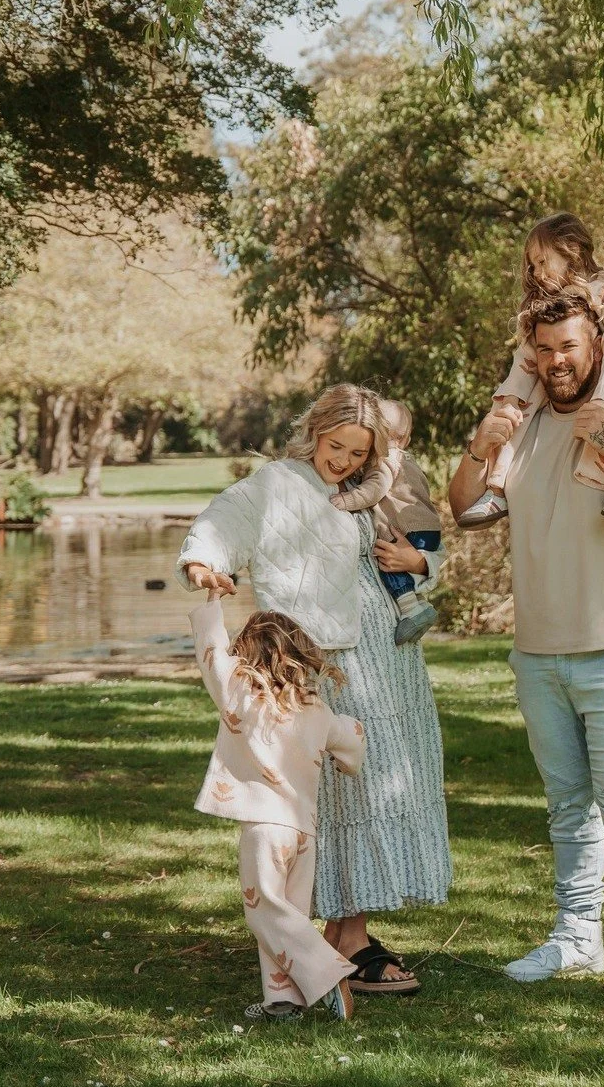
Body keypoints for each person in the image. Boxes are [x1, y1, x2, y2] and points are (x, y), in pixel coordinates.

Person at [448, 288, 604, 1010]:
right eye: (544, 349)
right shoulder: (521, 427)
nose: (556, 361)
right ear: (531, 354)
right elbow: (462, 507)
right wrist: (481, 445)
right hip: (538, 654)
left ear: (596, 348)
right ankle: (577, 936)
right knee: (567, 809)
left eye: (569, 347)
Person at [180, 384, 451, 997]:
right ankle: (337, 939)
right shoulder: (277, 483)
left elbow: (420, 545)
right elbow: (225, 519)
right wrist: (203, 561)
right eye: (337, 447)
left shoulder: (370, 487)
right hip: (323, 659)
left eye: (358, 452)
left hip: (388, 657)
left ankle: (348, 933)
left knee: (378, 781)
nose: (344, 461)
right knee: (334, 791)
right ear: (315, 431)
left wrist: (421, 564)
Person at [188, 595, 366, 1022]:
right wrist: (346, 762)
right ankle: (283, 1002)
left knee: (266, 911)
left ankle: (328, 972)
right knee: (290, 914)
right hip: (304, 830)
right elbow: (353, 736)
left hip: (265, 828)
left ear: (247, 654)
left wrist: (212, 602)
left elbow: (211, 653)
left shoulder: (241, 696)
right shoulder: (316, 709)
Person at [456, 213, 604, 529]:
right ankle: (497, 487)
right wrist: (511, 397)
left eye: (543, 261)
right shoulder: (548, 303)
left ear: (571, 250)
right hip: (558, 374)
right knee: (514, 409)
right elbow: (528, 355)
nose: (537, 272)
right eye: (532, 266)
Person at [371, 399, 443, 645]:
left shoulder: (385, 463)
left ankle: (412, 609)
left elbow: (372, 492)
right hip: (429, 528)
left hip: (409, 530)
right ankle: (418, 605)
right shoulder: (410, 463)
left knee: (387, 560)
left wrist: (348, 500)